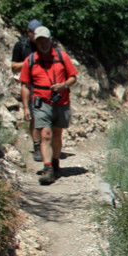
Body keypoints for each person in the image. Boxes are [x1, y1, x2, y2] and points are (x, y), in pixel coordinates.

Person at [20, 26, 78, 185]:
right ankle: (48, 168)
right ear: (36, 42)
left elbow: (74, 77)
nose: (43, 44)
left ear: (50, 40)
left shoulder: (62, 57)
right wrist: (26, 108)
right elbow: (25, 86)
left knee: (57, 135)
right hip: (41, 103)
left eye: (45, 40)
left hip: (61, 102)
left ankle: (55, 161)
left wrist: (64, 85)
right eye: (39, 41)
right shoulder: (30, 60)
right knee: (45, 135)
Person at [11, 19, 42, 161]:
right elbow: (13, 67)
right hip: (29, 85)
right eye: (34, 33)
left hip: (45, 84)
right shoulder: (21, 46)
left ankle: (46, 144)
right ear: (28, 32)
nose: (37, 36)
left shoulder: (46, 45)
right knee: (34, 117)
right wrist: (29, 61)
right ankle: (37, 147)